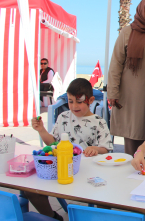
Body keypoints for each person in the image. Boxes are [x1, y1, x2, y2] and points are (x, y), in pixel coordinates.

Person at [24, 78, 113, 220]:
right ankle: (51, 216)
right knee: (30, 191)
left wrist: (95, 149)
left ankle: (103, 217)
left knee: (104, 196)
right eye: (70, 101)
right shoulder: (63, 117)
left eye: (79, 101)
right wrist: (41, 130)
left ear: (90, 100)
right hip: (61, 170)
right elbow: (53, 143)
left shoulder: (99, 122)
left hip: (90, 173)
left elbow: (106, 149)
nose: (74, 106)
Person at [108, 0, 145, 156]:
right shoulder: (128, 31)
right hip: (132, 92)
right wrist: (113, 91)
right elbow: (116, 63)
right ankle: (131, 170)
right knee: (133, 133)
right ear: (141, 9)